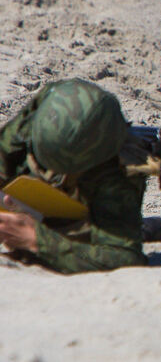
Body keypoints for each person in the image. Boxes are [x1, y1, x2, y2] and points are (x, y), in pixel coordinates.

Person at [0, 78, 148, 273]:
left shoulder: (115, 176)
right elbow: (6, 148)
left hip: (88, 211)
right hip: (36, 197)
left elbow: (125, 258)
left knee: (84, 236)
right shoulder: (49, 106)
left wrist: (37, 240)